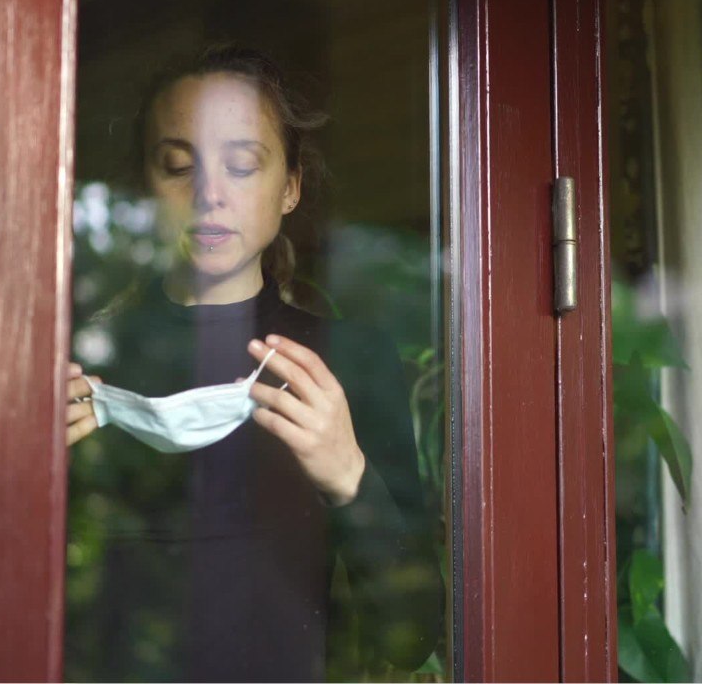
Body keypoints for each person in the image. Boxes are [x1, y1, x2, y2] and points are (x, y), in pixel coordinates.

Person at [63, 44, 443, 682]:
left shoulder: (350, 361)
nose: (210, 194)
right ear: (145, 187)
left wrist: (349, 476)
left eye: (242, 166)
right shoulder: (88, 360)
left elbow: (409, 638)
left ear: (290, 187)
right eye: (179, 165)